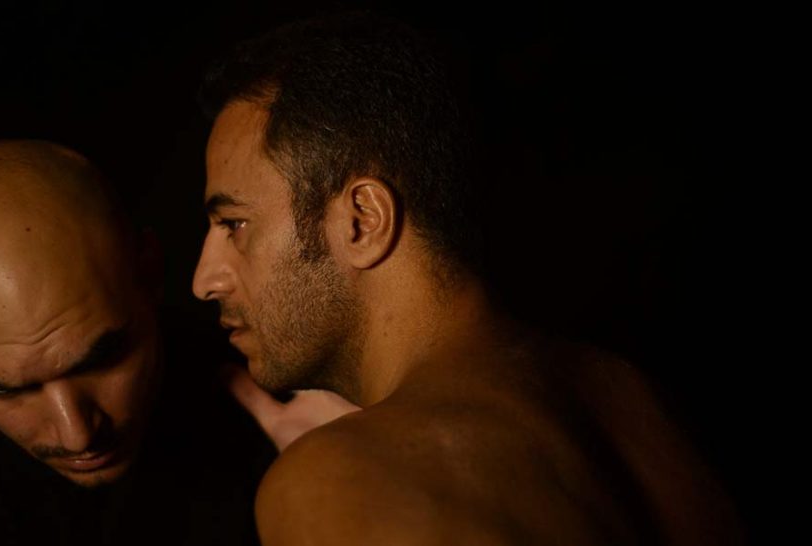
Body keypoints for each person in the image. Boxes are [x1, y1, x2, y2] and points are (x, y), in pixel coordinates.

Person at [193, 12, 744, 546]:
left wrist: (341, 476)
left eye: (233, 224)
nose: (204, 280)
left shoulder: (330, 479)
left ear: (363, 220)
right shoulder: (631, 399)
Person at [0, 139, 274, 545]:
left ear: (150, 272)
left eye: (102, 360)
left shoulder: (286, 408)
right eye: (6, 389)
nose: (77, 433)